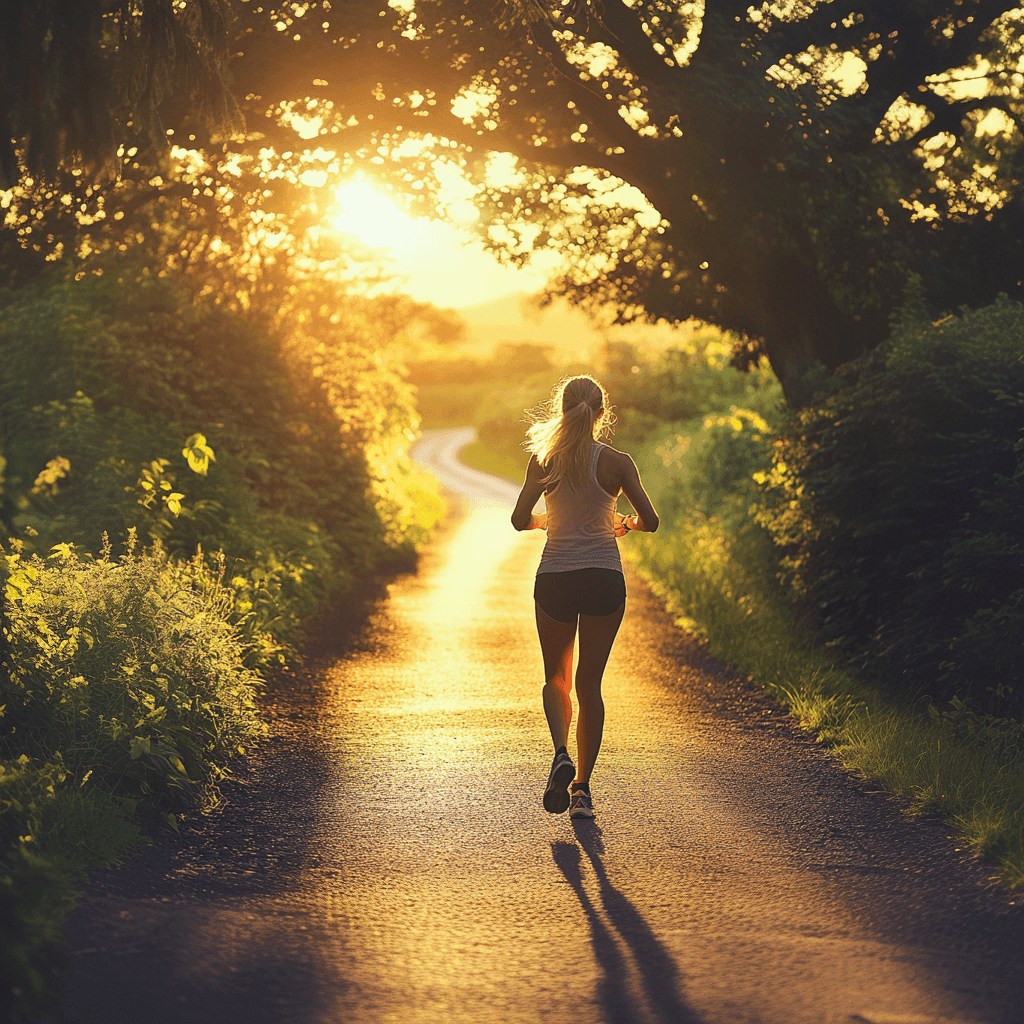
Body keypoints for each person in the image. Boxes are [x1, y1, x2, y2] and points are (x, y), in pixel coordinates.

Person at [511, 374, 659, 819]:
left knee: (556, 678)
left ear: (562, 410)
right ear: (601, 414)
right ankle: (582, 792)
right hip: (603, 577)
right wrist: (624, 524)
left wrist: (547, 523)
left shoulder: (544, 460)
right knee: (589, 684)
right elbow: (649, 520)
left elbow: (520, 519)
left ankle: (560, 753)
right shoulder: (617, 462)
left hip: (555, 575)